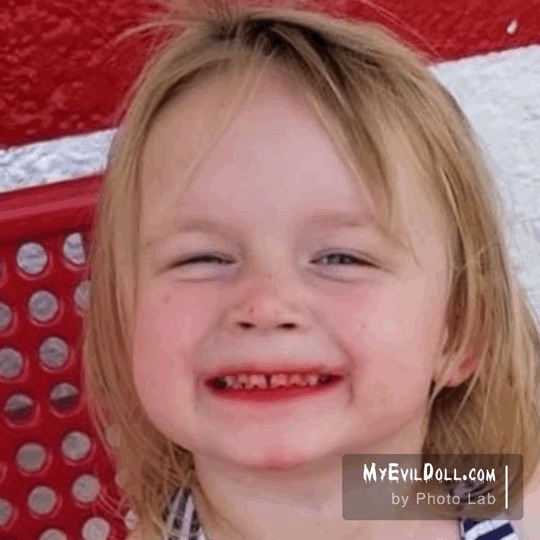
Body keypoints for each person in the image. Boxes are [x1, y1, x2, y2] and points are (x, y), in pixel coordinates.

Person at [81, 0, 540, 538]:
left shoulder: (496, 496)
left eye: (341, 258)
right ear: (125, 318)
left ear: (461, 330)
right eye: (202, 258)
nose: (265, 305)